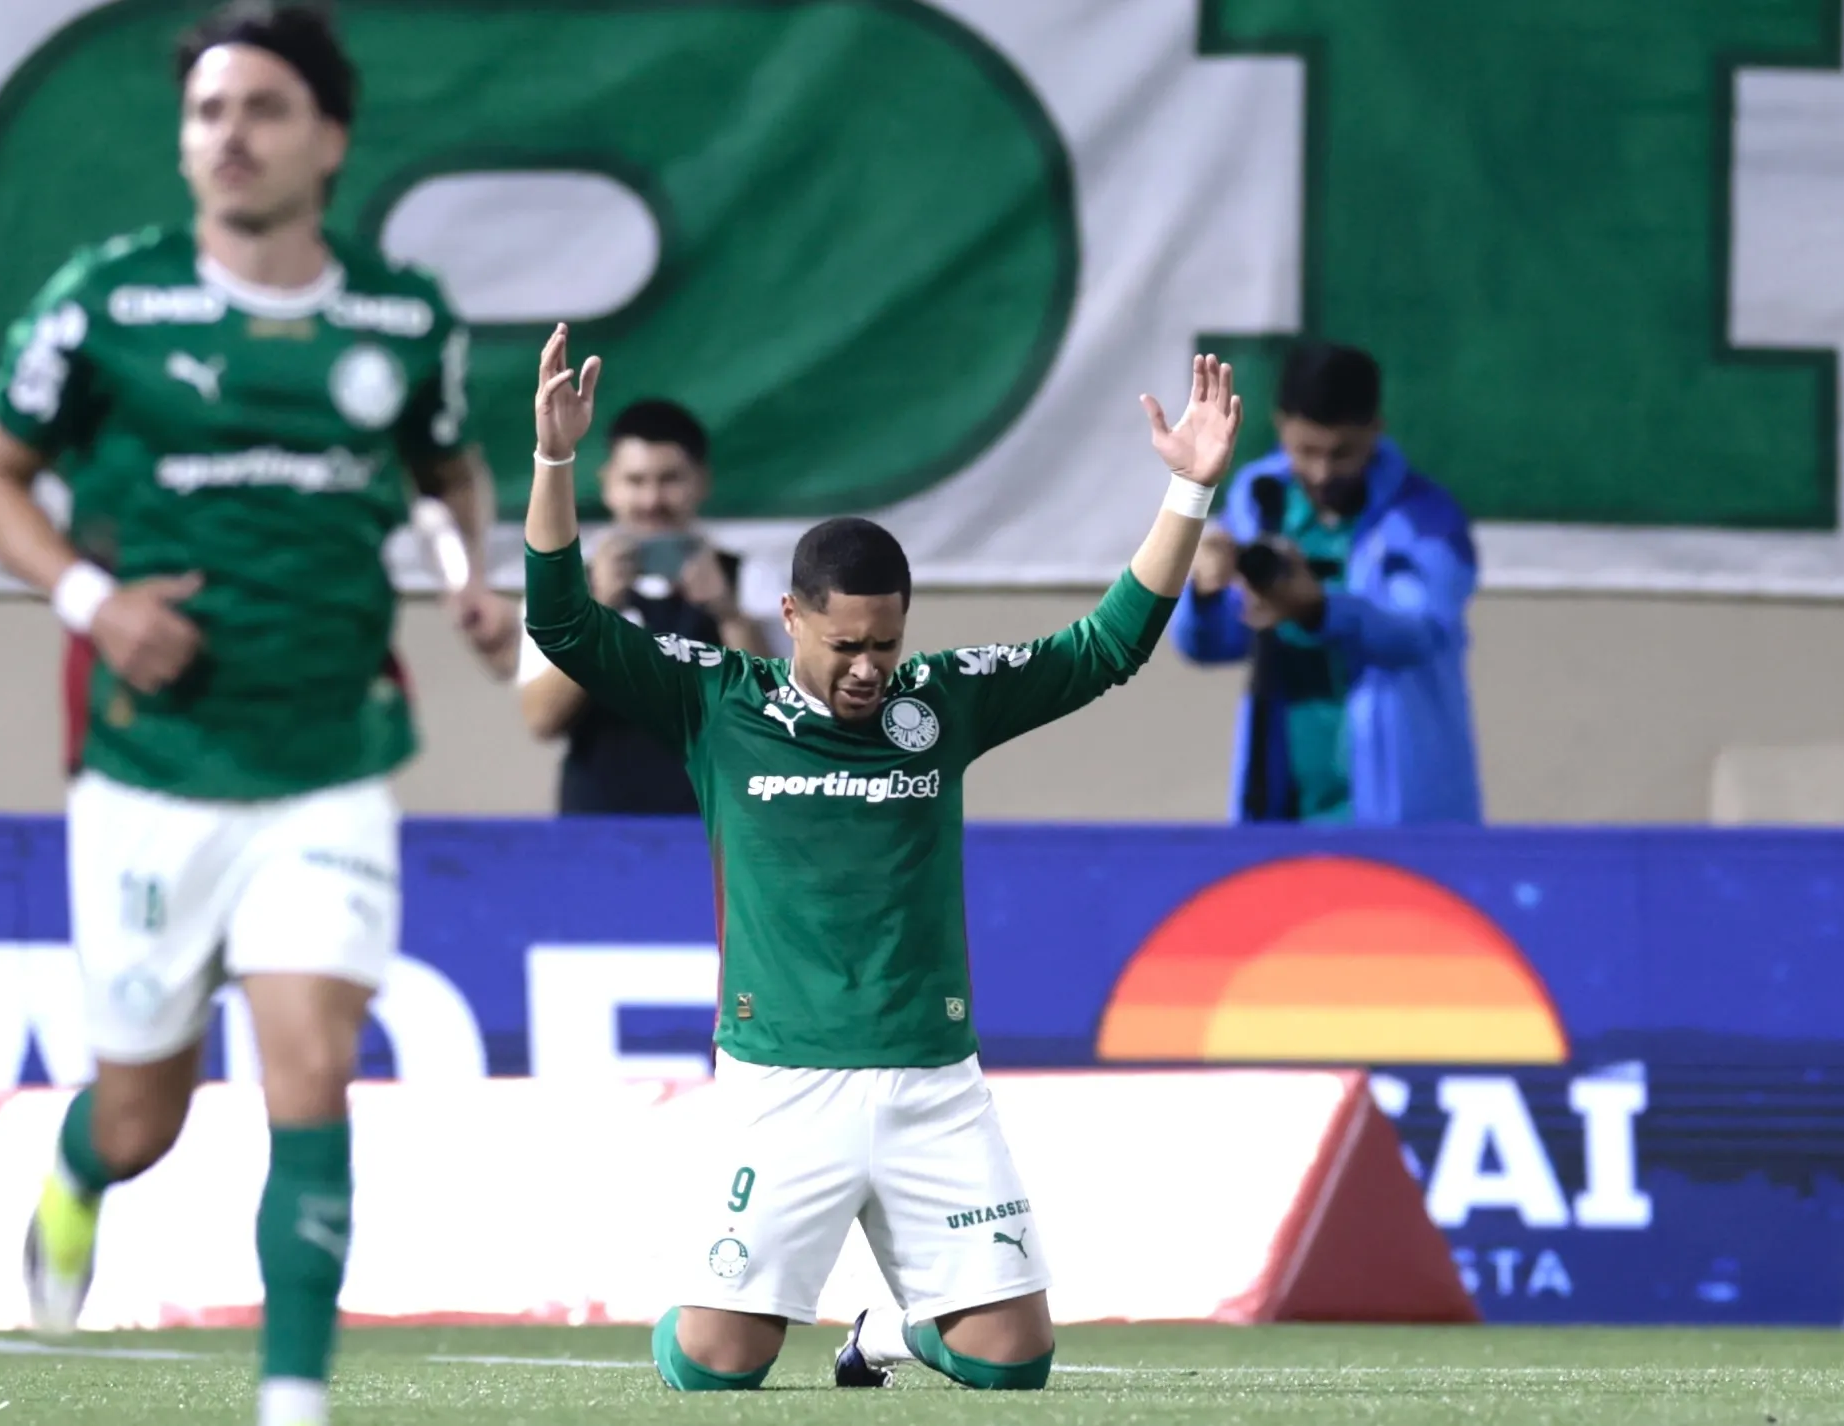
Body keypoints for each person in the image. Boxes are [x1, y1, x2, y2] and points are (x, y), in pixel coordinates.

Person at [0, 7, 516, 1425]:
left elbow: (448, 470)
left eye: (264, 108)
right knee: (142, 1115)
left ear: (329, 139)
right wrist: (96, 602)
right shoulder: (106, 302)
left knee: (311, 1067)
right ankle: (78, 1168)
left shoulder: (403, 316)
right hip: (151, 766)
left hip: (328, 759)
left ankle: (291, 1399)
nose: (231, 136)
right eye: (208, 112)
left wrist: (469, 571)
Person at [524, 323, 1242, 1392]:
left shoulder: (942, 702)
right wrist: (554, 461)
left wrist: (1188, 492)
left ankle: (885, 1334)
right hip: (781, 1078)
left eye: (885, 644)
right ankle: (702, 1299)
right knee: (716, 1369)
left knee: (1014, 1363)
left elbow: (1107, 646)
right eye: (844, 645)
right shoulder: (715, 699)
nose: (868, 669)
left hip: (930, 1076)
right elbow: (563, 624)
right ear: (790, 616)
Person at [1171, 341, 1482, 825]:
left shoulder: (1428, 520)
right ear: (1280, 426)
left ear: (1376, 430)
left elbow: (1420, 632)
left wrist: (1318, 609)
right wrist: (1205, 595)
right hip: (1280, 808)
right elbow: (1211, 646)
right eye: (1306, 451)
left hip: (1398, 814)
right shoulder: (1260, 499)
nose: (1321, 472)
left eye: (1342, 454)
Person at [516, 397, 774, 815]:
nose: (652, 500)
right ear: (607, 484)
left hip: (719, 825)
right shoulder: (562, 588)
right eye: (635, 481)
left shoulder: (750, 581)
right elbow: (542, 718)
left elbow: (778, 715)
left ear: (701, 481)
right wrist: (594, 616)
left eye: (669, 479)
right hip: (597, 829)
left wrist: (728, 615)